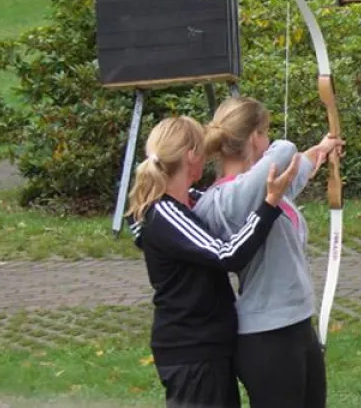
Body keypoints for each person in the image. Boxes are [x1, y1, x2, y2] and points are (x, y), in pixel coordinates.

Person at [129, 115, 300, 408]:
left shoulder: (191, 201)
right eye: (204, 150)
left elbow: (239, 196)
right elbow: (227, 255)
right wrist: (269, 205)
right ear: (190, 156)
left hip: (210, 348)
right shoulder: (163, 213)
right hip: (191, 352)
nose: (209, 157)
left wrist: (318, 154)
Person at [192, 97, 344, 408]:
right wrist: (290, 150)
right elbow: (285, 152)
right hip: (267, 338)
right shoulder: (224, 199)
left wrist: (322, 149)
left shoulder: (265, 187)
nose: (271, 139)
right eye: (265, 131)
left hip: (298, 325)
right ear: (253, 138)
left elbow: (296, 167)